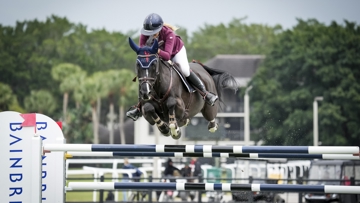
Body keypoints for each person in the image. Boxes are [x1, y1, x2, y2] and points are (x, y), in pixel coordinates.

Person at [126, 13, 218, 121]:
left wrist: (156, 51)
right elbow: (143, 53)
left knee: (185, 70)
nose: (151, 34)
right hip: (156, 55)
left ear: (160, 29)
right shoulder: (144, 35)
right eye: (148, 32)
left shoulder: (169, 34)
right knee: (146, 73)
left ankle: (205, 93)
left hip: (175, 52)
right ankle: (138, 107)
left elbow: (167, 56)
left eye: (154, 32)